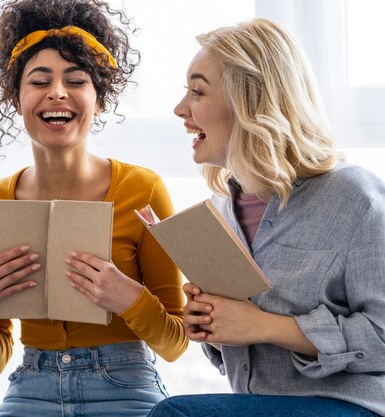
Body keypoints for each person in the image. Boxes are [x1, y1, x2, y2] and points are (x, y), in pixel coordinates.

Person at [0, 0, 188, 415]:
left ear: (100, 98)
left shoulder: (143, 190)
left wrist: (129, 300)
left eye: (76, 80)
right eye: (39, 81)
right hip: (31, 386)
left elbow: (175, 343)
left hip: (126, 384)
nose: (57, 92)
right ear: (16, 97)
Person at [148, 18, 385, 417]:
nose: (180, 108)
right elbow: (242, 358)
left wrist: (263, 325)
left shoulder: (352, 197)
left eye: (197, 91)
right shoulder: (222, 209)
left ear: (249, 101)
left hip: (351, 405)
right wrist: (215, 326)